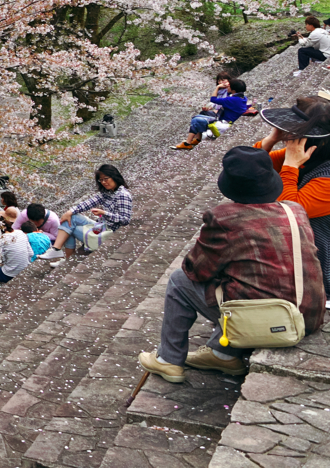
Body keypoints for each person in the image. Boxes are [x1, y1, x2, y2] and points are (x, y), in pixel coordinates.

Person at [137, 147, 326, 383]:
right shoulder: (294, 210)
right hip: (308, 313)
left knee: (178, 280)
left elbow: (196, 270)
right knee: (243, 278)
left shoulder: (225, 217)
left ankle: (169, 360)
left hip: (274, 320)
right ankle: (221, 353)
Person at [255, 96, 330, 305]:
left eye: (293, 134)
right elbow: (246, 169)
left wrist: (290, 167)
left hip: (319, 268)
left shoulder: (326, 176)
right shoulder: (308, 155)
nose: (289, 138)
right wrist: (271, 140)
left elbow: (290, 211)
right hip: (296, 254)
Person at [40, 164, 132, 267]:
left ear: (114, 177)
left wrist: (104, 213)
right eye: (101, 180)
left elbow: (125, 220)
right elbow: (89, 202)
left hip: (108, 232)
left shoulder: (122, 195)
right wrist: (70, 211)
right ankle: (56, 249)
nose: (104, 182)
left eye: (106, 179)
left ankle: (67, 260)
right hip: (100, 226)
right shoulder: (107, 192)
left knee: (70, 228)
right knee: (71, 217)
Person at [171, 78, 248, 150]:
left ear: (233, 89)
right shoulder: (242, 98)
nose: (227, 87)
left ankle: (187, 144)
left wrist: (218, 87)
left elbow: (213, 99)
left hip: (224, 124)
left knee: (196, 119)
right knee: (198, 116)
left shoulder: (231, 99)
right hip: (228, 120)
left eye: (229, 86)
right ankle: (198, 139)